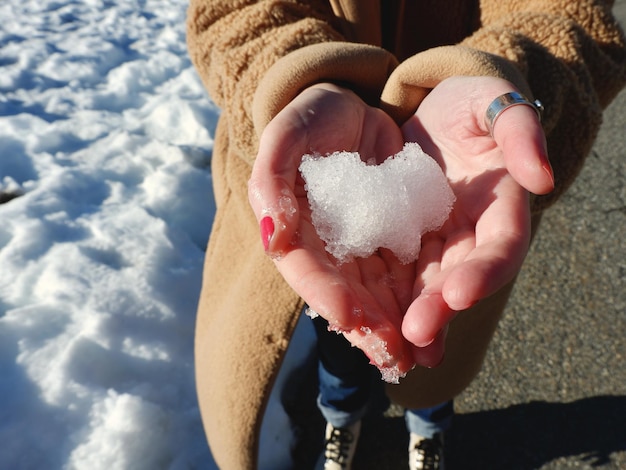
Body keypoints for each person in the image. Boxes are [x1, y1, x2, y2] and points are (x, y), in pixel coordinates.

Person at [186, 1, 626, 469]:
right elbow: (230, 14)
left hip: (468, 214)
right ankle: (340, 417)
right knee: (342, 339)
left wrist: (505, 76)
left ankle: (429, 425)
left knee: (439, 350)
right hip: (299, 207)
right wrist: (301, 79)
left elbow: (579, 24)